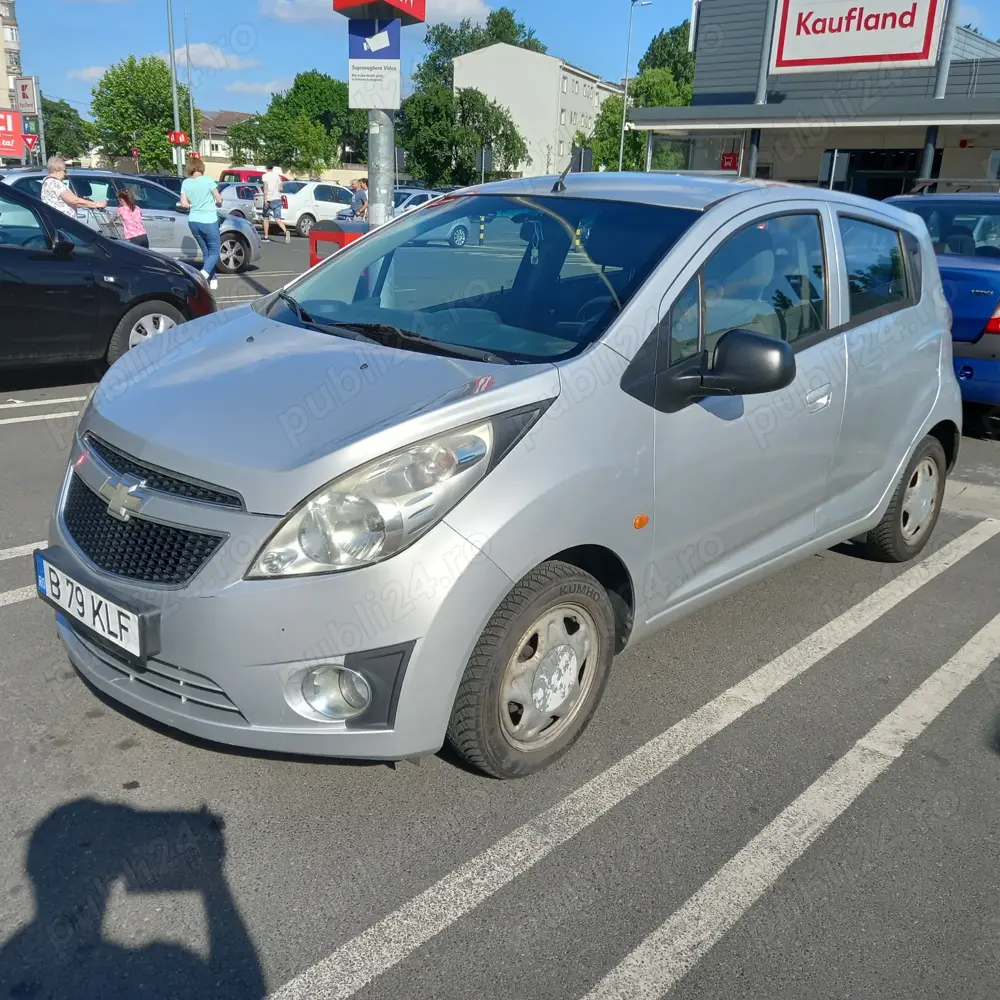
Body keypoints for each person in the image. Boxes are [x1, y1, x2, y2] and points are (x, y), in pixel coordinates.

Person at [179, 155, 223, 290]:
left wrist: (194, 205)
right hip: (209, 220)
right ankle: (202, 275)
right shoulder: (208, 180)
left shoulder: (185, 183)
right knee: (215, 252)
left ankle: (213, 280)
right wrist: (218, 202)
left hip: (193, 221)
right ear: (201, 167)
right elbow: (219, 200)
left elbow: (184, 204)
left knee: (206, 252)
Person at [40, 156, 106, 218]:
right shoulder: (55, 183)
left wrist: (88, 203)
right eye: (64, 171)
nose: (65, 174)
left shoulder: (46, 182)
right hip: (63, 221)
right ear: (57, 170)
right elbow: (74, 201)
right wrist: (96, 204)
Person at [261, 162, 290, 243]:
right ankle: (285, 231)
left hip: (269, 199)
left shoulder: (265, 176)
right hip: (277, 199)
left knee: (265, 217)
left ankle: (266, 236)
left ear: (266, 168)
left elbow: (265, 187)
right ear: (272, 168)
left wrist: (265, 198)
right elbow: (281, 188)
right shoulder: (277, 176)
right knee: (278, 219)